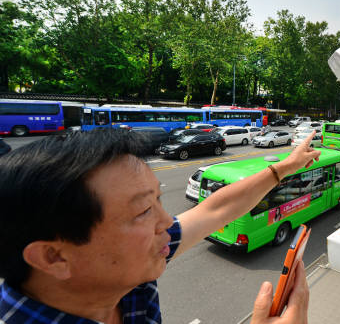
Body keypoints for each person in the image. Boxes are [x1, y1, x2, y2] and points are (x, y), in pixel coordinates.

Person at [0, 127, 320, 324]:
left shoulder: (122, 278)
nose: (167, 221)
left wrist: (285, 167)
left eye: (158, 200)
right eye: (142, 211)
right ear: (54, 258)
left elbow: (215, 209)